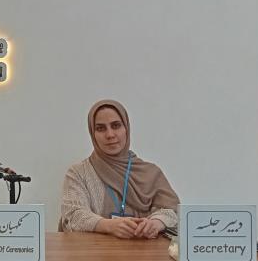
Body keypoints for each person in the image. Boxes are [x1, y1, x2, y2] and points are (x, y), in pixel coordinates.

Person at [60, 100, 179, 239]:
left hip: (143, 250)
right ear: (92, 134)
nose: (110, 134)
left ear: (126, 128)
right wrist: (109, 225)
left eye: (116, 125)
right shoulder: (79, 173)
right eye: (100, 128)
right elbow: (73, 215)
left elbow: (173, 211)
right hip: (95, 251)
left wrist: (156, 223)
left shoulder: (150, 173)